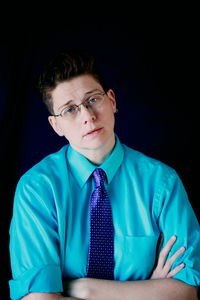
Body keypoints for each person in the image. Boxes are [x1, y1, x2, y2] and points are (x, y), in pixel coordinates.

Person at [9, 51, 200, 300]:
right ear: (56, 125)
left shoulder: (163, 183)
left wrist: (81, 288)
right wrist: (148, 292)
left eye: (93, 99)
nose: (88, 116)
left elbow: (184, 293)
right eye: (69, 110)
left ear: (111, 101)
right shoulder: (37, 190)